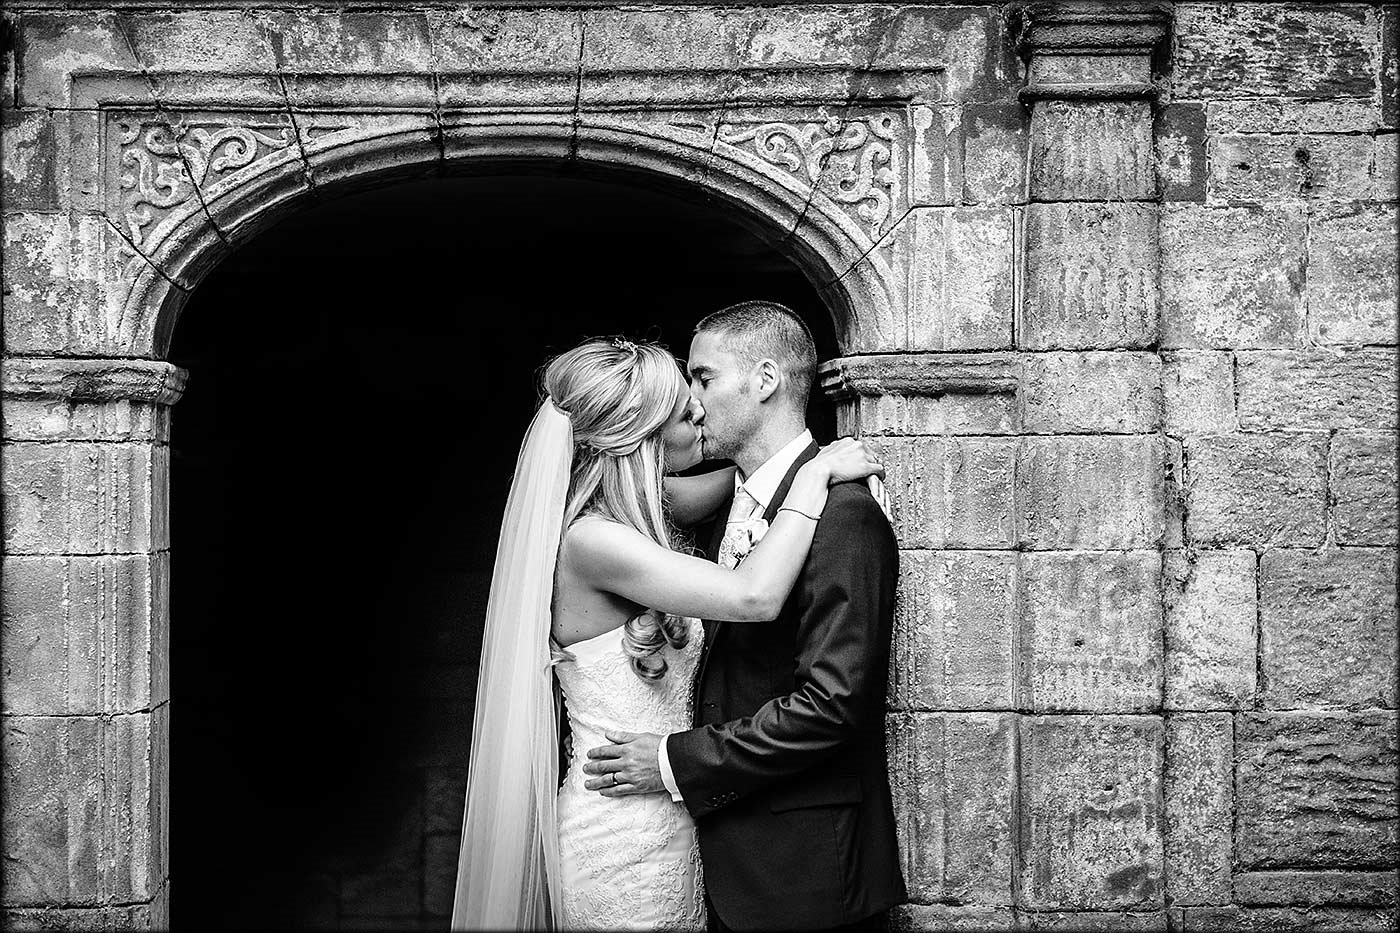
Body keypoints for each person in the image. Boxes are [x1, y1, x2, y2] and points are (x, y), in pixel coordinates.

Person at [450, 333, 886, 931]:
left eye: (700, 389)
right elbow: (753, 596)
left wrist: (793, 462)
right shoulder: (594, 541)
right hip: (622, 826)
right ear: (642, 435)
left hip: (685, 819)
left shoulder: (643, 507)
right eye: (685, 409)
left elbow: (748, 483)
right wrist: (816, 478)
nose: (698, 413)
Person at [580, 302, 907, 932]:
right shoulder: (717, 502)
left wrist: (675, 762)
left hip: (800, 868)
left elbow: (834, 704)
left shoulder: (843, 512)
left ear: (765, 380)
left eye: (703, 378)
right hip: (706, 855)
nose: (692, 402)